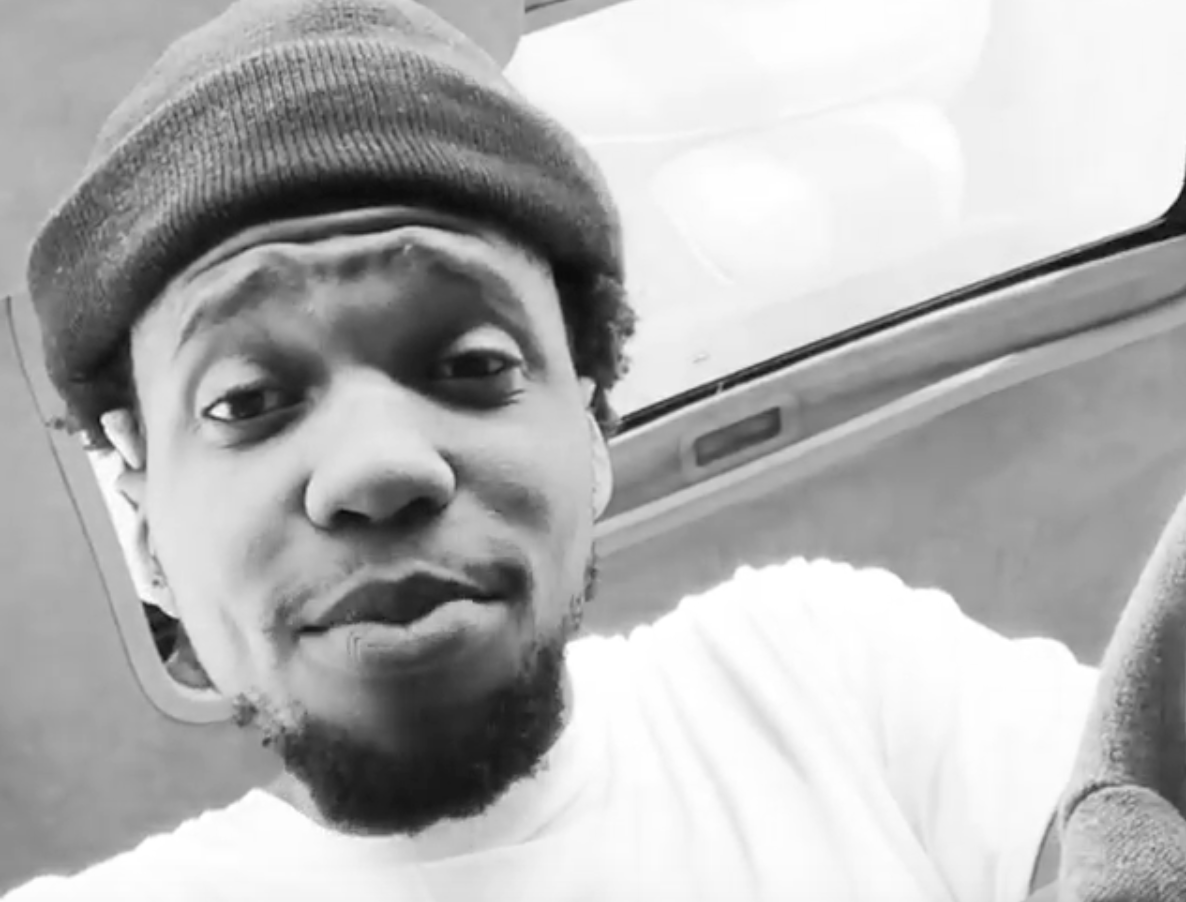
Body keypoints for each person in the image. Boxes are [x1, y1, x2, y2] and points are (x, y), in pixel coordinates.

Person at [7, 0, 1098, 899]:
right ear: (146, 533)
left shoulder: (833, 683)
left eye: (473, 364)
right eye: (245, 401)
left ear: (591, 434)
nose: (379, 468)